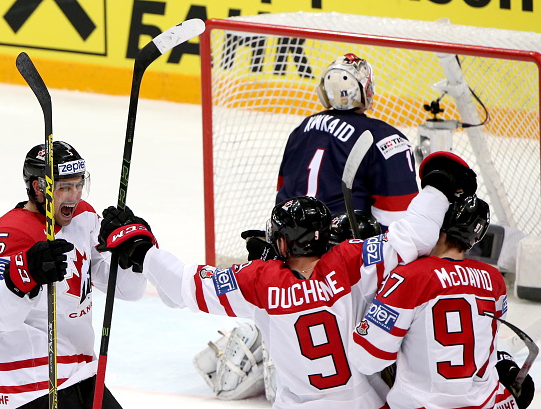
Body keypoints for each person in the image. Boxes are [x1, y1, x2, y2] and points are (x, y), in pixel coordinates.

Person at [96, 152, 477, 408]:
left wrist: (144, 251)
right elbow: (414, 236)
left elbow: (184, 286)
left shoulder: (260, 281)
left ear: (281, 241)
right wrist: (439, 187)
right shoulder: (351, 260)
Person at [0, 141, 148, 409]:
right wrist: (24, 275)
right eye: (64, 187)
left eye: (78, 185)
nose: (74, 196)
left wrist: (134, 256)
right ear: (39, 188)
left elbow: (128, 290)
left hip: (82, 377)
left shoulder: (84, 217)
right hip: (27, 387)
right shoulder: (9, 233)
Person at [348, 195, 535, 408]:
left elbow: (367, 358)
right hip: (486, 403)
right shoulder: (494, 280)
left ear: (436, 225)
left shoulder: (410, 275)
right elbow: (484, 342)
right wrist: (503, 361)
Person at [276, 53, 419, 230]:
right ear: (366, 89)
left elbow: (282, 189)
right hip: (344, 248)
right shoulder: (384, 138)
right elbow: (398, 216)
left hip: (290, 243)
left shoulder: (301, 129)